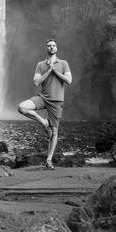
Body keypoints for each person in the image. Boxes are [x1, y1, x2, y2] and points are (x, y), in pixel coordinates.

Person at [17, 39, 72, 170]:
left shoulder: (64, 63)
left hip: (57, 101)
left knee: (54, 131)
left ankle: (49, 161)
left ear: (56, 48)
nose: (52, 47)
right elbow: (36, 82)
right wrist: (48, 71)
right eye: (49, 46)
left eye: (54, 45)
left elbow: (69, 81)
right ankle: (43, 122)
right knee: (22, 107)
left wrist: (55, 71)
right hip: (43, 98)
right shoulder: (40, 64)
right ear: (46, 48)